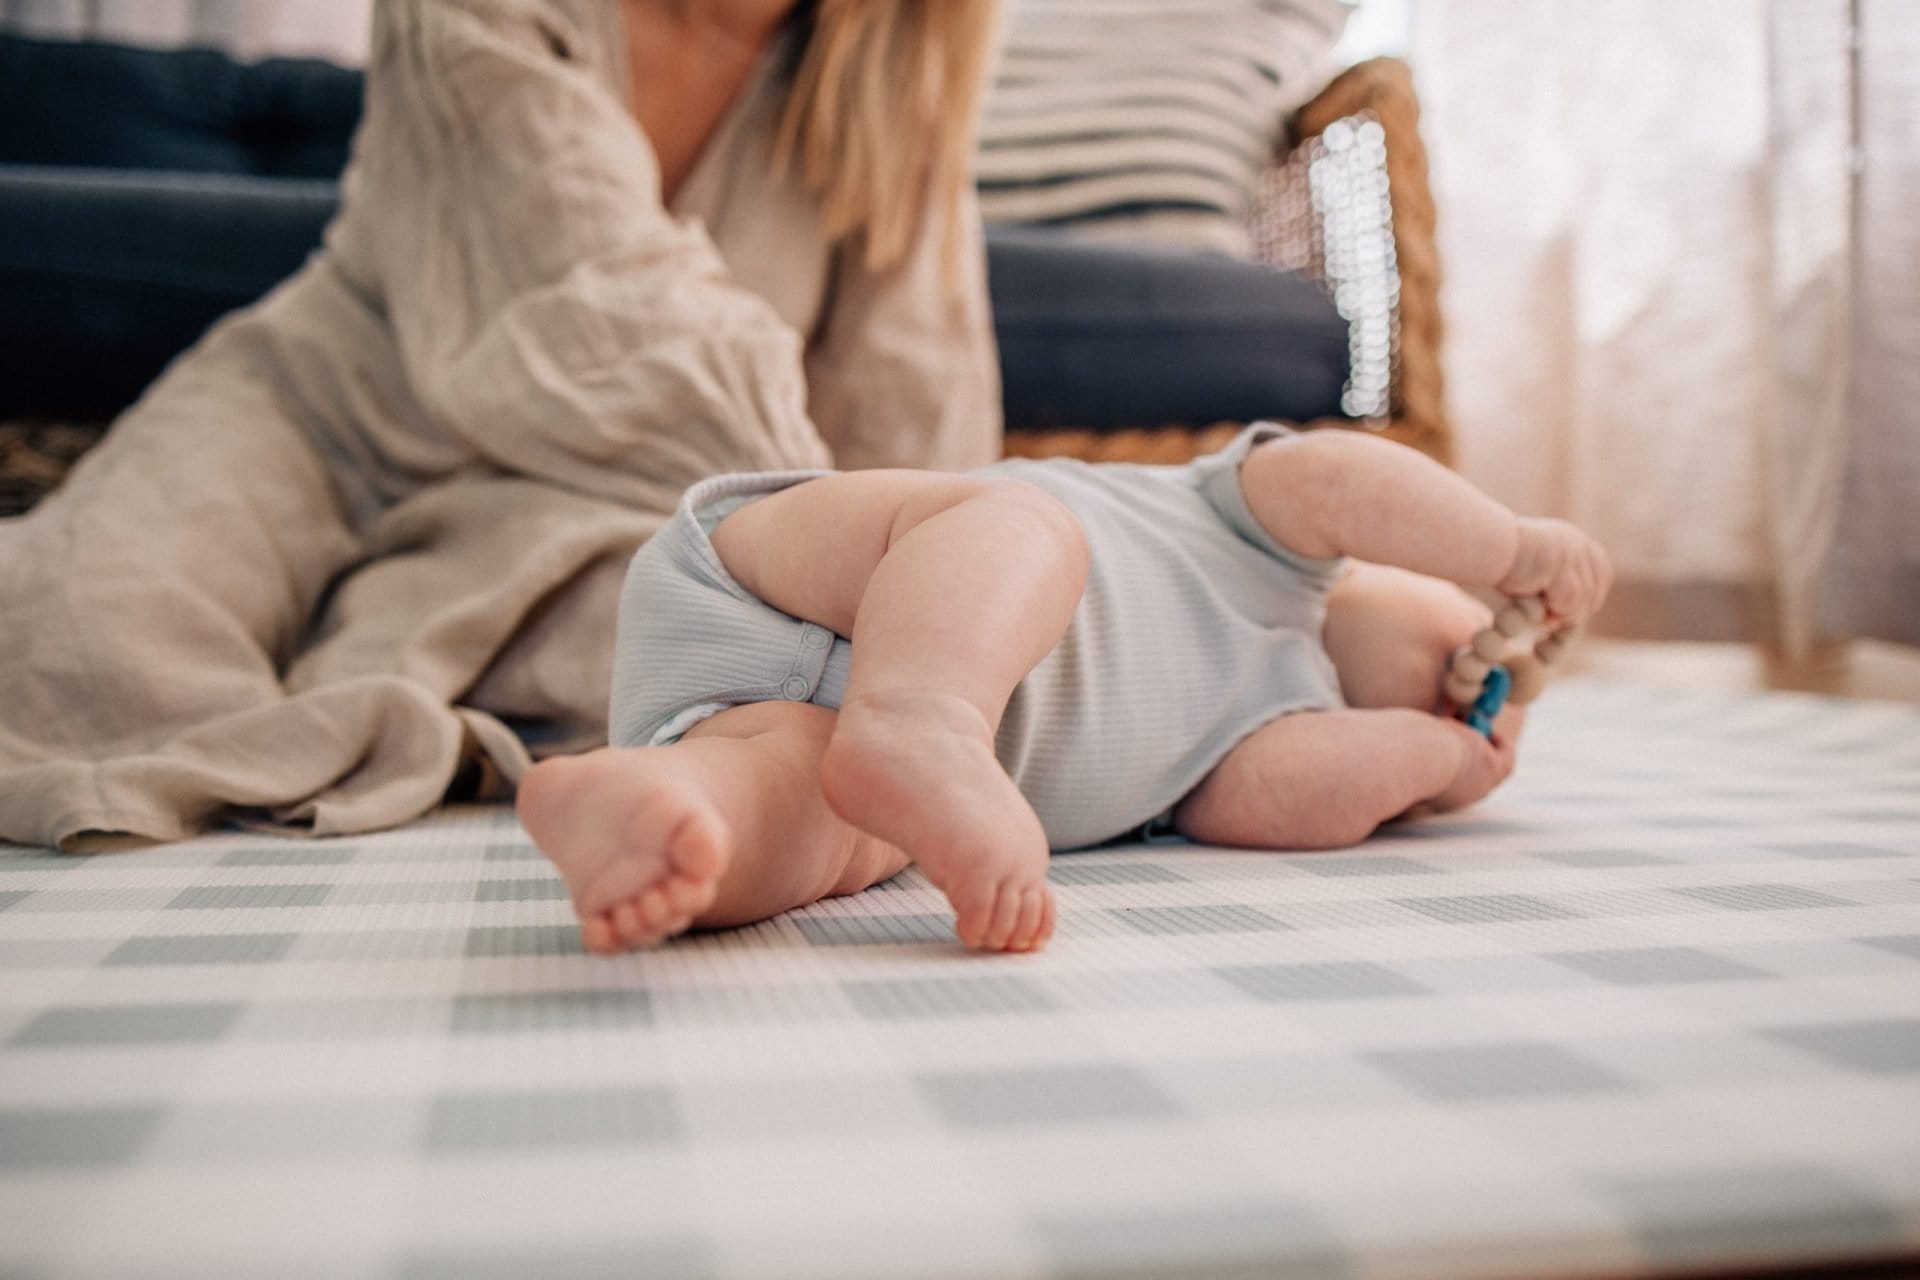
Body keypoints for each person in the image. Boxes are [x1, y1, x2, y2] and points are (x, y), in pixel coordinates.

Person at [0, 0, 1003, 849]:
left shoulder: (893, 71)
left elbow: (912, 415)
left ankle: (372, 667)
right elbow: (599, 298)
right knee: (74, 639)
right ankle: (369, 670)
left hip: (611, 494)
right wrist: (800, 551)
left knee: (747, 663)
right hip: (331, 416)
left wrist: (911, 598)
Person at [518, 424, 1615, 955]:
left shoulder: (1251, 747)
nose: (1481, 685)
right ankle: (924, 714)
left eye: (1496, 707)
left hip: (809, 743)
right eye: (1479, 645)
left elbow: (1288, 803)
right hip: (816, 569)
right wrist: (1505, 543)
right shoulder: (1270, 531)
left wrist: (1439, 764)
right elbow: (1345, 477)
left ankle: (666, 806)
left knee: (832, 827)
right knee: (1017, 529)